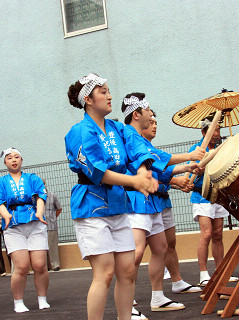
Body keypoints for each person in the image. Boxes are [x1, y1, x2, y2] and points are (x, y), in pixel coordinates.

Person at [65, 73, 158, 320]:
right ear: (88, 99)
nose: (110, 96)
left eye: (108, 90)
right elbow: (96, 170)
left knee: (127, 270)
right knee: (105, 272)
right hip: (91, 207)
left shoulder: (118, 127)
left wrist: (141, 171)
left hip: (117, 205)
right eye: (104, 91)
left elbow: (136, 147)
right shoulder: (79, 131)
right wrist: (135, 181)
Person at [122, 93, 204, 317]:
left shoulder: (139, 138)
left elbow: (159, 165)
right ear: (137, 114)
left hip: (152, 203)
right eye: (149, 111)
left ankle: (158, 297)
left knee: (161, 248)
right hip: (137, 201)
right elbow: (157, 158)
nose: (152, 115)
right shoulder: (129, 135)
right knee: (137, 252)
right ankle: (126, 304)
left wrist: (186, 167)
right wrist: (188, 157)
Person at [140, 110, 201, 295]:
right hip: (143, 203)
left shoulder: (150, 148)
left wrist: (184, 173)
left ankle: (176, 281)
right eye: (150, 122)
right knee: (137, 251)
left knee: (168, 244)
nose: (154, 125)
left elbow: (163, 172)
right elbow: (155, 173)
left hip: (161, 201)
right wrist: (185, 166)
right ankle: (127, 295)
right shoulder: (139, 146)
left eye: (155, 122)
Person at [0, 147, 49, 313]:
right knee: (22, 266)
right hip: (13, 225)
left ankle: (42, 299)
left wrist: (39, 212)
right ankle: (18, 302)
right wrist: (6, 216)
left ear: (22, 160)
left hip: (34, 222)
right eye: (9, 158)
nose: (14, 160)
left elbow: (41, 195)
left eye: (17, 157)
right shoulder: (0, 182)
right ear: (5, 162)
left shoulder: (32, 178)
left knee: (40, 265)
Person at [188, 115, 238, 286]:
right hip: (201, 196)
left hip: (217, 195)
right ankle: (203, 274)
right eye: (214, 129)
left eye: (218, 129)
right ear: (204, 131)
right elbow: (191, 176)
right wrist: (198, 170)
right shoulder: (197, 150)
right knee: (207, 234)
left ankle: (220, 271)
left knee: (218, 234)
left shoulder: (221, 148)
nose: (217, 132)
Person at [42, 180, 63, 271]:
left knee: (52, 245)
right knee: (41, 247)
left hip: (51, 224)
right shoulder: (33, 197)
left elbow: (59, 208)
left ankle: (55, 265)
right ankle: (44, 266)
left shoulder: (52, 195)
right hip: (39, 226)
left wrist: (53, 217)